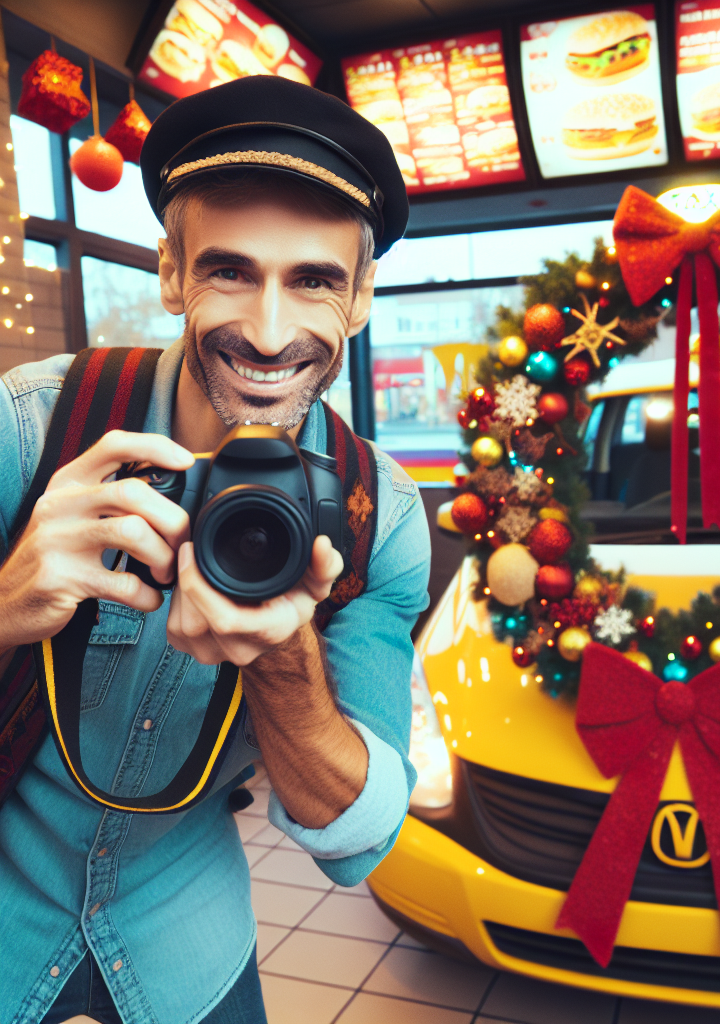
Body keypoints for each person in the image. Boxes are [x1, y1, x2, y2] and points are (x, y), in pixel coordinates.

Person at [0, 77, 429, 1024]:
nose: (270, 334)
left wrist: (285, 658)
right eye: (230, 271)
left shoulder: (376, 519)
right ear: (169, 273)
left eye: (314, 279)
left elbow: (354, 842)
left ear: (359, 299)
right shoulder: (27, 431)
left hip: (182, 931)